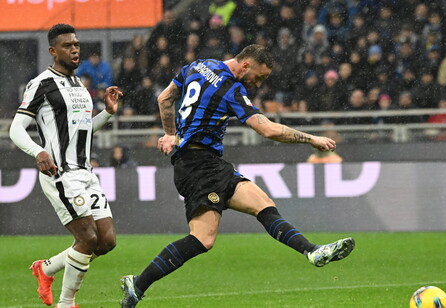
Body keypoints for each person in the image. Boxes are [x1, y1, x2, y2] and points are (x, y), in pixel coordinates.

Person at [119, 44, 355, 306]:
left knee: (263, 205)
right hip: (198, 167)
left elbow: (165, 98)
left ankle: (312, 251)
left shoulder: (199, 65)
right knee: (202, 239)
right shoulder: (232, 89)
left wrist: (169, 133)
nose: (258, 83)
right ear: (245, 65)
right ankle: (138, 284)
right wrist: (311, 139)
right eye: (259, 76)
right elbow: (266, 129)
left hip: (206, 163)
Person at [9, 24, 123, 308]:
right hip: (60, 173)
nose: (74, 50)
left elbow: (84, 131)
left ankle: (45, 269)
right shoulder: (41, 84)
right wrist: (38, 152)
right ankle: (66, 303)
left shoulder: (80, 87)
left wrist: (107, 114)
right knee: (86, 238)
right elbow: (16, 129)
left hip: (86, 172)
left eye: (76, 45)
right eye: (67, 46)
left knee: (106, 241)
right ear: (53, 51)